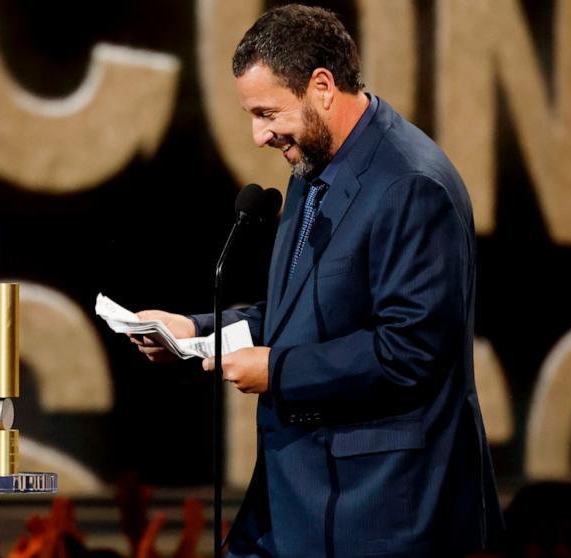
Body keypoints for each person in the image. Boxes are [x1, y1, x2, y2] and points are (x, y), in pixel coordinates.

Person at [131, 5, 503, 557]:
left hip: (379, 511)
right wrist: (193, 330)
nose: (259, 136)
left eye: (267, 112)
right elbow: (295, 313)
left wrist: (275, 370)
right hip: (297, 500)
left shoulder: (410, 184)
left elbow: (411, 353)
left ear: (322, 87)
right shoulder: (314, 165)